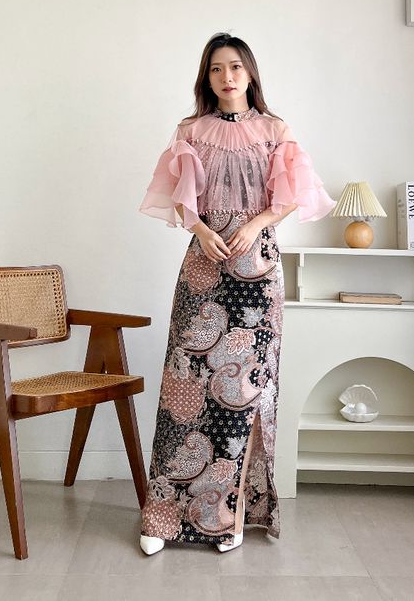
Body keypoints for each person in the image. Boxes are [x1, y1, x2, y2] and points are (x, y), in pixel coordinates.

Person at [138, 32, 335, 554]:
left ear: (250, 73)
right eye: (216, 69)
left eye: (235, 67)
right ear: (206, 78)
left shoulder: (274, 130)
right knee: (185, 387)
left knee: (246, 396)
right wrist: (202, 231)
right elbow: (180, 200)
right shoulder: (190, 131)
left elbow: (290, 196)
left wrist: (253, 225)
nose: (227, 77)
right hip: (204, 267)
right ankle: (162, 519)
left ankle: (229, 518)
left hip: (257, 268)